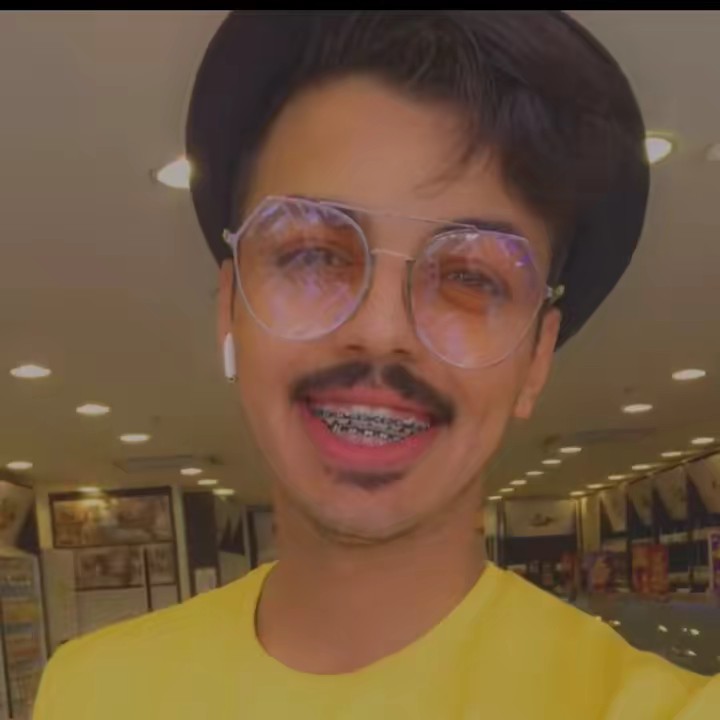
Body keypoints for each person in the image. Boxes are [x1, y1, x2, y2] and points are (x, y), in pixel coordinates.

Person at [34, 11, 719, 719]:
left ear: (536, 357)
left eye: (471, 276)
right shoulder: (91, 693)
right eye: (314, 254)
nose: (381, 330)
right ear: (230, 309)